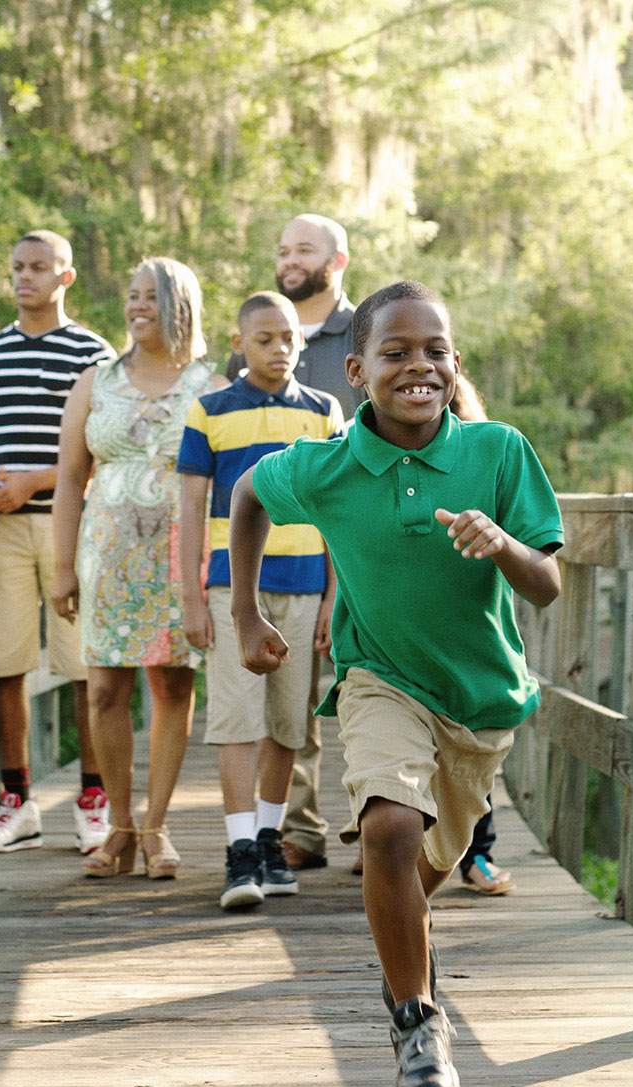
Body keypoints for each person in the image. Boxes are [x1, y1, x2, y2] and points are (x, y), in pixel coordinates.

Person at [227, 281, 563, 1087]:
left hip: (480, 702)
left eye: (435, 351)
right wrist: (245, 609)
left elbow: (548, 584)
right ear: (355, 369)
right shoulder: (328, 465)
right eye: (396, 352)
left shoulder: (497, 453)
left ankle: (407, 964)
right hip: (377, 678)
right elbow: (245, 497)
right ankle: (417, 1023)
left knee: (415, 871)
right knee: (386, 828)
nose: (419, 366)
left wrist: (503, 542)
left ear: (455, 365)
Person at [51, 256, 224, 878]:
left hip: (180, 552)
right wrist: (62, 566)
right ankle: (118, 826)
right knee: (104, 689)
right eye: (130, 296)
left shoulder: (211, 384)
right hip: (107, 553)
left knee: (173, 686)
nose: (136, 306)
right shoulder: (95, 380)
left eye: (151, 295)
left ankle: (155, 826)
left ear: (182, 304)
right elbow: (71, 480)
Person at [178, 292, 343, 909]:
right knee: (236, 716)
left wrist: (334, 595)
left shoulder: (326, 412)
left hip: (305, 585)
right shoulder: (210, 411)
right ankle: (239, 849)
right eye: (265, 338)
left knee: (288, 721)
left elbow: (337, 509)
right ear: (239, 342)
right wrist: (193, 595)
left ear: (303, 343)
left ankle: (271, 840)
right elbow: (192, 505)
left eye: (290, 338)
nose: (279, 349)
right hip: (233, 588)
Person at [0, 229, 112, 855]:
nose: (26, 278)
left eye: (40, 267)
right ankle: (16, 802)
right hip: (5, 528)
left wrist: (34, 482)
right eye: (18, 267)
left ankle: (94, 799)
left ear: (65, 277)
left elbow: (102, 451)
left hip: (73, 524)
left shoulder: (93, 353)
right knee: (5, 661)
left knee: (84, 664)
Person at [227, 214, 360, 874]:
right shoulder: (255, 336)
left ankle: (379, 825)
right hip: (278, 549)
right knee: (294, 696)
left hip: (361, 537)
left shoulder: (369, 332)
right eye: (282, 249)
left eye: (302, 248)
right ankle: (297, 829)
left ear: (337, 258)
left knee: (366, 683)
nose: (288, 258)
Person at [446, 376, 515, 897]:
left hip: (473, 636)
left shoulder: (488, 452)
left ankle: (477, 854)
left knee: (474, 761)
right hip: (403, 638)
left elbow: (537, 556)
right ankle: (396, 850)